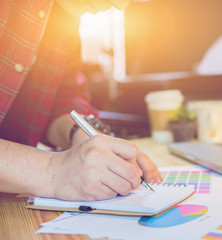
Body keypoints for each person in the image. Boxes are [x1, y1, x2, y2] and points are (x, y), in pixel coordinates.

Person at [0, 0, 162, 201]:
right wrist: (54, 172)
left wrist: (86, 137)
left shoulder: (62, 15)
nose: (120, 5)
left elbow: (59, 97)